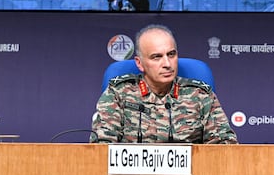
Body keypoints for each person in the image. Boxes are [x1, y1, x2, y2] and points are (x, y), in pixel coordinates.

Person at [91, 24, 238, 144]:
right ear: (140, 63)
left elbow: (225, 147)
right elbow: (101, 149)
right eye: (157, 57)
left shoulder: (200, 95)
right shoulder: (118, 93)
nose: (167, 64)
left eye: (171, 54)